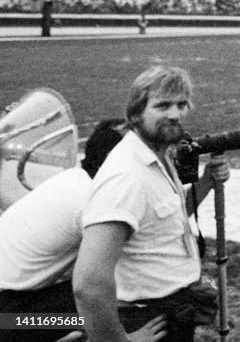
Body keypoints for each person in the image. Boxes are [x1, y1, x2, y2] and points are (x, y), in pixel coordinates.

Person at [73, 66, 231, 342]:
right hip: (146, 319)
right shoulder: (126, 176)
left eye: (182, 104)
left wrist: (205, 182)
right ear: (135, 113)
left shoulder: (157, 154)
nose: (175, 113)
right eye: (163, 105)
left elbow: (164, 221)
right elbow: (88, 284)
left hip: (172, 313)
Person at [0, 119, 167, 342]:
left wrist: (202, 183)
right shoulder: (95, 203)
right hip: (10, 320)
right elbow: (154, 239)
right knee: (103, 295)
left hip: (12, 308)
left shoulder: (73, 179)